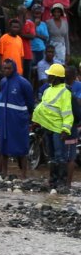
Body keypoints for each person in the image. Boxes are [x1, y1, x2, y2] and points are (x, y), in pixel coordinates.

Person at [32, 62, 74, 192]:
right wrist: (36, 121)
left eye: (50, 75)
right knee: (51, 156)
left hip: (58, 129)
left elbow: (67, 113)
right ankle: (53, 181)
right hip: (47, 128)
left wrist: (65, 130)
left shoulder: (65, 92)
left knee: (60, 156)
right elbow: (42, 107)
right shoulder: (47, 90)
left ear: (56, 77)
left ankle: (61, 182)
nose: (48, 77)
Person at [0, 58, 34, 176]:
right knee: (4, 147)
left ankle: (23, 175)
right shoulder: (3, 82)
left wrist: (27, 116)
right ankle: (5, 173)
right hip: (5, 120)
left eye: (8, 68)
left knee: (22, 147)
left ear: (14, 68)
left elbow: (30, 102)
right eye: (4, 68)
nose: (6, 71)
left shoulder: (23, 83)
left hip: (18, 120)